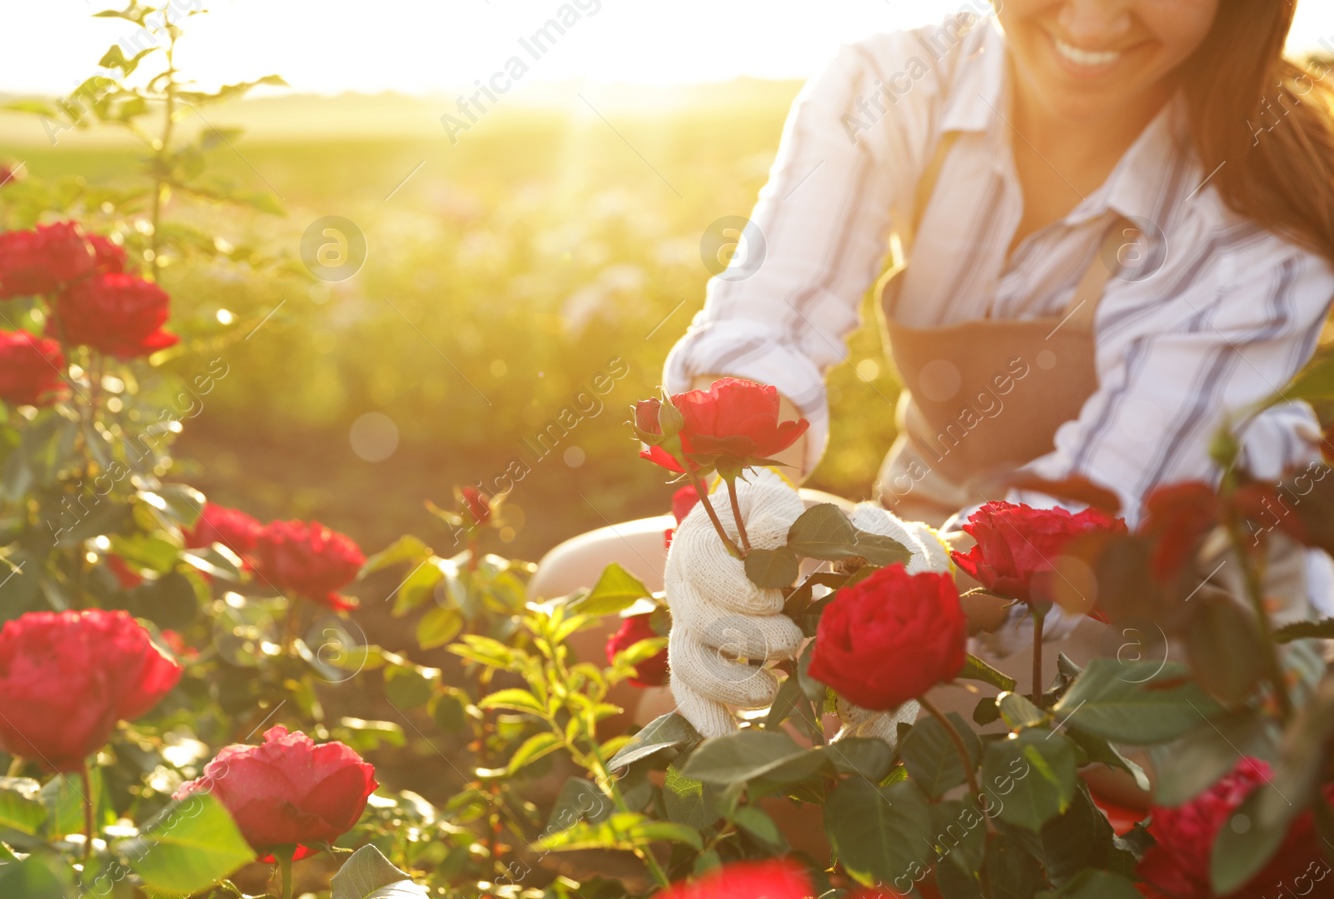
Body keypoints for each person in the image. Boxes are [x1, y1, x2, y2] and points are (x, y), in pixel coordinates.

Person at [531, 0, 1334, 794]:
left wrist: (852, 622)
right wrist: (740, 526)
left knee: (862, 762)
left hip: (1143, 610)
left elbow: (1084, 529)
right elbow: (768, 324)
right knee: (575, 591)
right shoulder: (895, 81)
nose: (1093, 15)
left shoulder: (1256, 214)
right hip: (917, 540)